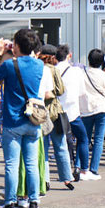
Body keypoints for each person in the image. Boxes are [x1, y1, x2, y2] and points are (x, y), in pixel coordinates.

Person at [0, 29, 50, 208]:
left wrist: (0, 52)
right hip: (33, 120)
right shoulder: (40, 65)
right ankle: (33, 204)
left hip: (12, 121)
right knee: (31, 164)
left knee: (12, 165)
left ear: (16, 45)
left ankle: (9, 205)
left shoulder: (9, 65)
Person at [56, 45, 95, 180]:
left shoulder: (52, 70)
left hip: (56, 112)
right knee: (83, 138)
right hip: (73, 112)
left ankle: (65, 172)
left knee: (60, 142)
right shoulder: (76, 71)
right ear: (69, 55)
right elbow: (81, 93)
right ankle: (82, 169)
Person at [37, 45, 73, 189]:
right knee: (61, 146)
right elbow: (60, 90)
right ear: (52, 57)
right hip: (55, 112)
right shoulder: (54, 70)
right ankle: (66, 178)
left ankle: (45, 179)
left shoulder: (37, 68)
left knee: (43, 148)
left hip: (40, 112)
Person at [80, 49, 105, 178]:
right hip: (101, 107)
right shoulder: (104, 75)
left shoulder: (82, 73)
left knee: (84, 139)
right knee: (98, 139)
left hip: (86, 108)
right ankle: (94, 169)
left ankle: (81, 166)